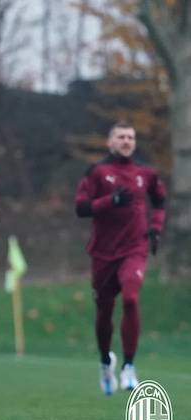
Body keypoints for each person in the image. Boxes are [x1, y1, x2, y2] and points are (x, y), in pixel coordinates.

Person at [75, 122, 166, 395]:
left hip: (134, 249)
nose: (126, 141)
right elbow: (81, 208)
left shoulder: (146, 173)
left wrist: (156, 228)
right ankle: (105, 362)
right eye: (121, 137)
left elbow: (160, 201)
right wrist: (109, 201)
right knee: (104, 311)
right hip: (103, 252)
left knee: (130, 298)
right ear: (110, 142)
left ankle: (128, 366)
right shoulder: (97, 172)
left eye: (130, 137)